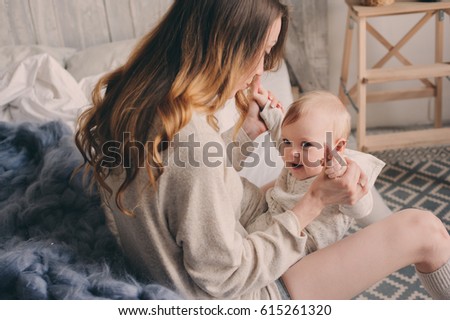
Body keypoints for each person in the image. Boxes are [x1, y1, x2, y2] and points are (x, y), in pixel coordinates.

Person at [75, 0, 450, 300]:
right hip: (237, 295)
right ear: (226, 46)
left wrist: (245, 135)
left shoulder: (139, 101)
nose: (261, 70)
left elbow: (186, 188)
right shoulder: (191, 135)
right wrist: (313, 204)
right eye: (263, 51)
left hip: (200, 254)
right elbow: (226, 276)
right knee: (425, 230)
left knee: (291, 179)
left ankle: (368, 214)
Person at [257, 90, 385, 254]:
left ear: (337, 148)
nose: (291, 152)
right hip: (275, 217)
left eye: (306, 145)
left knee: (250, 247)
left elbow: (361, 208)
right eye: (287, 142)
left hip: (305, 245)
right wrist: (266, 107)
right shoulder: (296, 155)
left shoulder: (340, 176)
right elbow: (279, 129)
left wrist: (347, 182)